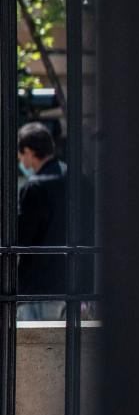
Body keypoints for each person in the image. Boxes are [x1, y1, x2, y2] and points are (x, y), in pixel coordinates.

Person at [16, 121, 68, 321]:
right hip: (73, 285)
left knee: (38, 348)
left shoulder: (34, 187)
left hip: (38, 286)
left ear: (29, 152)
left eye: (21, 155)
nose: (21, 161)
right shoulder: (77, 180)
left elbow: (21, 238)